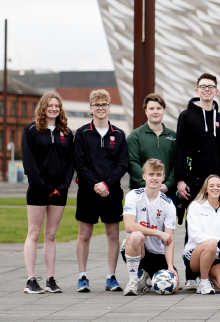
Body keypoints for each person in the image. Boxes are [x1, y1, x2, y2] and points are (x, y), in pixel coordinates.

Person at [174, 73, 220, 290]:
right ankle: (192, 276)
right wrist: (181, 180)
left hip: (217, 179)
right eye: (203, 87)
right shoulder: (186, 116)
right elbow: (180, 149)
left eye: (211, 87)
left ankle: (214, 268)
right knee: (194, 227)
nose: (207, 90)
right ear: (197, 90)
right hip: (195, 179)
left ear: (216, 91)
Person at [73, 89, 128, 293]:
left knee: (113, 235)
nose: (101, 108)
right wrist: (96, 184)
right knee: (85, 235)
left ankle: (111, 277)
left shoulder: (119, 134)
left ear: (109, 107)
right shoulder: (82, 133)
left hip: (111, 191)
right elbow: (79, 163)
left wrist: (107, 184)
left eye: (104, 104)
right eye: (97, 105)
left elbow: (122, 165)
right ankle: (82, 277)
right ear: (91, 108)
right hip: (88, 191)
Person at [21, 92, 74, 294]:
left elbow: (70, 164)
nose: (54, 109)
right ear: (43, 107)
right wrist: (43, 185)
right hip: (38, 188)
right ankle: (31, 280)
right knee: (34, 233)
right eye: (50, 105)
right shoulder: (31, 130)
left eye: (57, 106)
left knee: (51, 234)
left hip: (59, 190)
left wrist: (63, 186)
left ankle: (51, 279)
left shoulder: (67, 133)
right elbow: (29, 163)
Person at [121, 159, 178, 296]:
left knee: (174, 287)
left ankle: (146, 276)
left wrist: (170, 266)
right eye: (151, 174)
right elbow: (129, 226)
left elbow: (169, 239)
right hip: (135, 248)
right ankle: (133, 281)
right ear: (144, 176)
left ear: (163, 178)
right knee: (136, 235)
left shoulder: (168, 204)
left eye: (158, 175)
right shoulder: (133, 196)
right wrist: (158, 233)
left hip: (156, 253)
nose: (154, 178)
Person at [182, 175, 220, 294]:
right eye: (211, 186)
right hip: (194, 255)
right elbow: (194, 234)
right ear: (206, 189)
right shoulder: (195, 206)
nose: (215, 188)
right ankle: (203, 281)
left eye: (218, 186)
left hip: (215, 257)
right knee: (211, 243)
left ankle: (210, 278)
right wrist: (218, 242)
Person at [127, 94, 176, 194]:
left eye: (158, 108)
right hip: (141, 192)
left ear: (163, 111)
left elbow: (178, 163)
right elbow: (132, 163)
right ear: (145, 111)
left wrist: (168, 184)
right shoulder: (135, 136)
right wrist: (150, 185)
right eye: (151, 108)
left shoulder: (174, 136)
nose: (155, 112)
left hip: (167, 192)